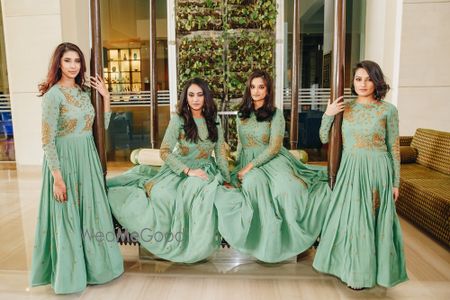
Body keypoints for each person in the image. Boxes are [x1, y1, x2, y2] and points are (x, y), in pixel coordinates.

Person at [31, 42, 123, 294]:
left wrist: (106, 97)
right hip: (64, 162)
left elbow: (100, 128)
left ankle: (96, 268)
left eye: (77, 61)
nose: (73, 66)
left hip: (87, 158)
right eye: (68, 61)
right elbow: (47, 140)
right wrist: (57, 178)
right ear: (58, 63)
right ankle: (70, 275)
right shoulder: (53, 96)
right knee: (68, 216)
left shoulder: (84, 93)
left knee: (91, 214)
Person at [107, 78, 232, 263]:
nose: (195, 99)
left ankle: (196, 246)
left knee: (198, 190)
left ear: (206, 97)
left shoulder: (214, 121)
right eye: (191, 95)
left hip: (205, 169)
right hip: (178, 170)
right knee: (164, 196)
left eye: (200, 95)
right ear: (185, 98)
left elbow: (220, 153)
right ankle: (166, 244)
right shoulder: (179, 120)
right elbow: (165, 152)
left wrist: (227, 179)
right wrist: (188, 171)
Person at [215, 70, 331, 263]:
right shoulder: (241, 114)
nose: (256, 91)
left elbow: (275, 147)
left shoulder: (275, 114)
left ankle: (296, 241)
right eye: (253, 87)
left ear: (268, 90)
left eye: (261, 87)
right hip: (247, 162)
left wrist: (250, 166)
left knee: (289, 189)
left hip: (273, 160)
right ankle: (261, 242)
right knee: (252, 184)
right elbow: (241, 145)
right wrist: (237, 165)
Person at [313, 60, 408, 289]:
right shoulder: (345, 107)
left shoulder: (388, 111)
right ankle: (351, 270)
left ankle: (369, 274)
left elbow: (394, 148)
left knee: (371, 221)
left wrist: (395, 182)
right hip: (351, 168)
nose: (363, 84)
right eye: (358, 79)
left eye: (368, 79)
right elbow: (324, 138)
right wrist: (328, 113)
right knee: (353, 221)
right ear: (352, 83)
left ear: (377, 82)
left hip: (378, 170)